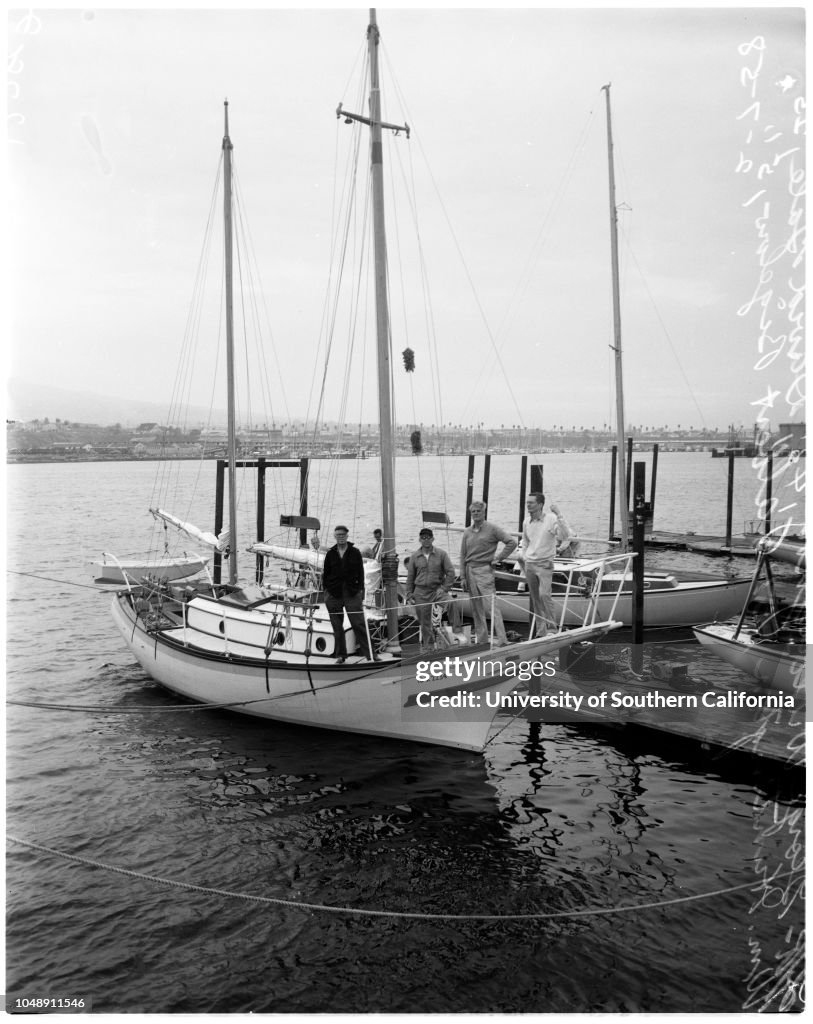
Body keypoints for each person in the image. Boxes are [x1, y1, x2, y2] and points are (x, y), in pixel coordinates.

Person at [458, 500, 517, 646]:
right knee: (476, 609)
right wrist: (463, 576)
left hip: (485, 571)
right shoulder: (467, 532)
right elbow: (462, 555)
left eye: (478, 511)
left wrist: (498, 558)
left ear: (484, 512)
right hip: (470, 571)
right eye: (473, 511)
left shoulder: (492, 529)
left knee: (492, 608)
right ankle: (482, 641)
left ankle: (503, 641)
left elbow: (511, 542)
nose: (476, 514)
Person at [322, 525, 375, 662]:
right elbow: (325, 573)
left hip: (351, 592)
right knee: (337, 626)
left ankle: (370, 654)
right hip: (334, 593)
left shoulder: (355, 552)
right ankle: (341, 655)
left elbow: (360, 573)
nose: (340, 537)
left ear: (347, 536)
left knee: (358, 623)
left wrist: (360, 590)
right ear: (335, 536)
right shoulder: (331, 553)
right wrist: (326, 592)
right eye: (338, 535)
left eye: (343, 535)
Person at [518, 493, 568, 638]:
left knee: (544, 595)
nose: (528, 505)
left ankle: (552, 628)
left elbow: (564, 536)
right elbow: (525, 541)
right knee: (536, 599)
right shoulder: (526, 521)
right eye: (527, 502)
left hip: (545, 563)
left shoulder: (551, 519)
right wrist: (524, 555)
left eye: (531, 503)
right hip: (530, 564)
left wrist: (559, 514)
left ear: (540, 505)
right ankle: (541, 631)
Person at [405, 527, 455, 652]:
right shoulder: (415, 557)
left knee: (451, 603)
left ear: (433, 539)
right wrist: (409, 594)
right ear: (420, 540)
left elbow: (450, 572)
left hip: (437, 589)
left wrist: (444, 588)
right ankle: (429, 646)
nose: (426, 540)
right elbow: (410, 577)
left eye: (428, 537)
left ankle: (457, 630)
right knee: (425, 622)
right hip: (420, 592)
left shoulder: (441, 554)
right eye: (423, 538)